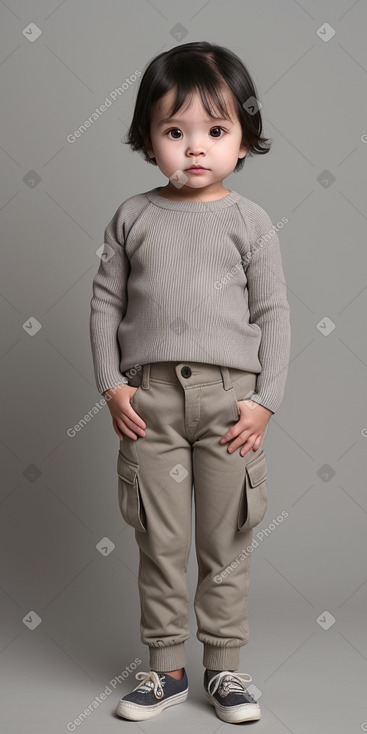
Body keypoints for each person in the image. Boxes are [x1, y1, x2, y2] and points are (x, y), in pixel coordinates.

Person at [89, 41, 291, 724]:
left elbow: (273, 315)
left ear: (243, 139)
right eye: (174, 132)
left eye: (215, 130)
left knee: (225, 541)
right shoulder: (132, 218)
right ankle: (163, 670)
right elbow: (103, 308)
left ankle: (226, 671)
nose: (194, 148)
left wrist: (264, 401)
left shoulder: (251, 223)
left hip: (228, 404)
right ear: (149, 138)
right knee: (160, 541)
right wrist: (112, 386)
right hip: (149, 405)